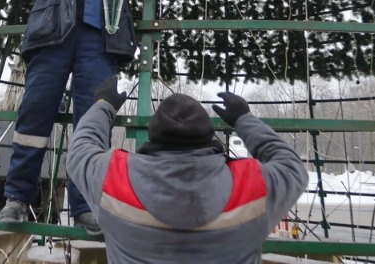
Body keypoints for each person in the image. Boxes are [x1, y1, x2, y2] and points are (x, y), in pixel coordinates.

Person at [0, 0, 154, 235]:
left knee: (93, 121)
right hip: (53, 37)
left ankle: (85, 206)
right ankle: (17, 199)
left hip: (99, 43)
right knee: (35, 113)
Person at [68, 82, 308, 263]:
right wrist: (244, 119)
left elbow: (81, 148)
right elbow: (291, 165)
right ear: (208, 137)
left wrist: (104, 105)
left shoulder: (113, 179)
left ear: (153, 136)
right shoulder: (252, 186)